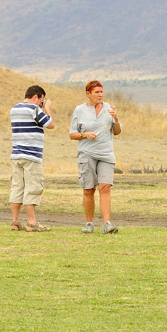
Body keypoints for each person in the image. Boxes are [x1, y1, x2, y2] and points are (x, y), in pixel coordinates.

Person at [69, 79, 121, 234]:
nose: (100, 95)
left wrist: (116, 119)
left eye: (101, 92)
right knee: (88, 189)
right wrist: (84, 134)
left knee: (105, 187)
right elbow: (72, 134)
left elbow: (117, 132)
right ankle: (89, 223)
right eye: (97, 92)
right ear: (88, 94)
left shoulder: (109, 109)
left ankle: (107, 224)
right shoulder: (79, 110)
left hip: (106, 154)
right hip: (87, 153)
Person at [9, 85, 55, 231]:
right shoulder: (34, 109)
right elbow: (51, 124)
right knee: (33, 187)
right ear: (36, 97)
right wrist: (47, 109)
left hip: (16, 155)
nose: (41, 104)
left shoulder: (14, 109)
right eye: (42, 101)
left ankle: (15, 221)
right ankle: (32, 222)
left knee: (17, 187)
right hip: (31, 155)